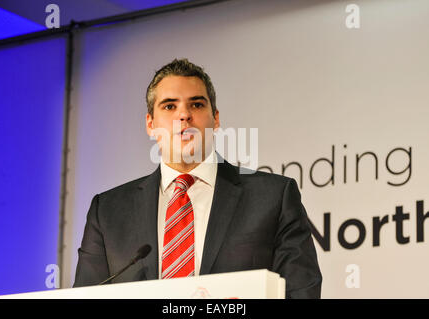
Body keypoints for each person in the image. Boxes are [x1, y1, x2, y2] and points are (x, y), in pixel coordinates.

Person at [73, 58, 322, 298]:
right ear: (150, 123)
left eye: (196, 104)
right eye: (170, 106)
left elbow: (301, 292)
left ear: (215, 119)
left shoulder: (273, 197)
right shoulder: (107, 212)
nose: (184, 115)